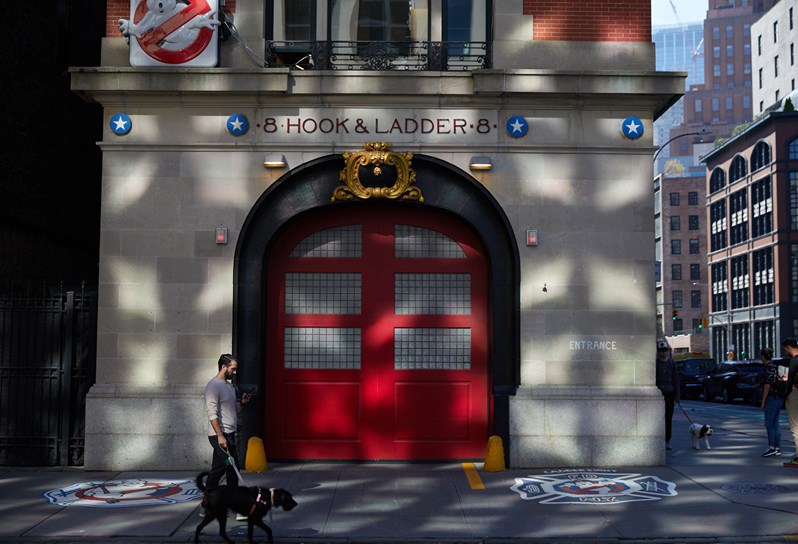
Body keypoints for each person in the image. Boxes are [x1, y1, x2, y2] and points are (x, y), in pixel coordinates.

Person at [204, 354, 252, 492]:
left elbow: (231, 409)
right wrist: (220, 436)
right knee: (232, 466)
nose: (235, 372)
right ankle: (235, 502)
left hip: (229, 434)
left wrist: (242, 403)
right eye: (233, 369)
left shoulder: (228, 386)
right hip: (220, 435)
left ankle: (207, 504)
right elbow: (212, 414)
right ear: (223, 367)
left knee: (218, 469)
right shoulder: (213, 386)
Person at [758, 347, 786, 457]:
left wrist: (763, 402)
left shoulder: (768, 368)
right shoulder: (776, 366)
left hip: (772, 397)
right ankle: (777, 447)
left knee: (769, 424)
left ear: (763, 357)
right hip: (780, 397)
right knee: (775, 424)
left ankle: (771, 447)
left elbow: (767, 386)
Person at [656, 340, 680, 450]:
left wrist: (677, 397)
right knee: (658, 419)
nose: (663, 353)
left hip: (669, 395)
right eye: (661, 351)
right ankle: (658, 439)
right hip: (658, 395)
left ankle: (667, 440)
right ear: (658, 352)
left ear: (668, 351)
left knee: (668, 419)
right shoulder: (655, 364)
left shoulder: (672, 363)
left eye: (665, 351)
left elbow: (676, 380)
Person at [781, 339, 798, 466]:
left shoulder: (794, 360)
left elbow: (791, 380)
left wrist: (786, 393)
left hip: (795, 393)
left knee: (795, 426)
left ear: (788, 348)